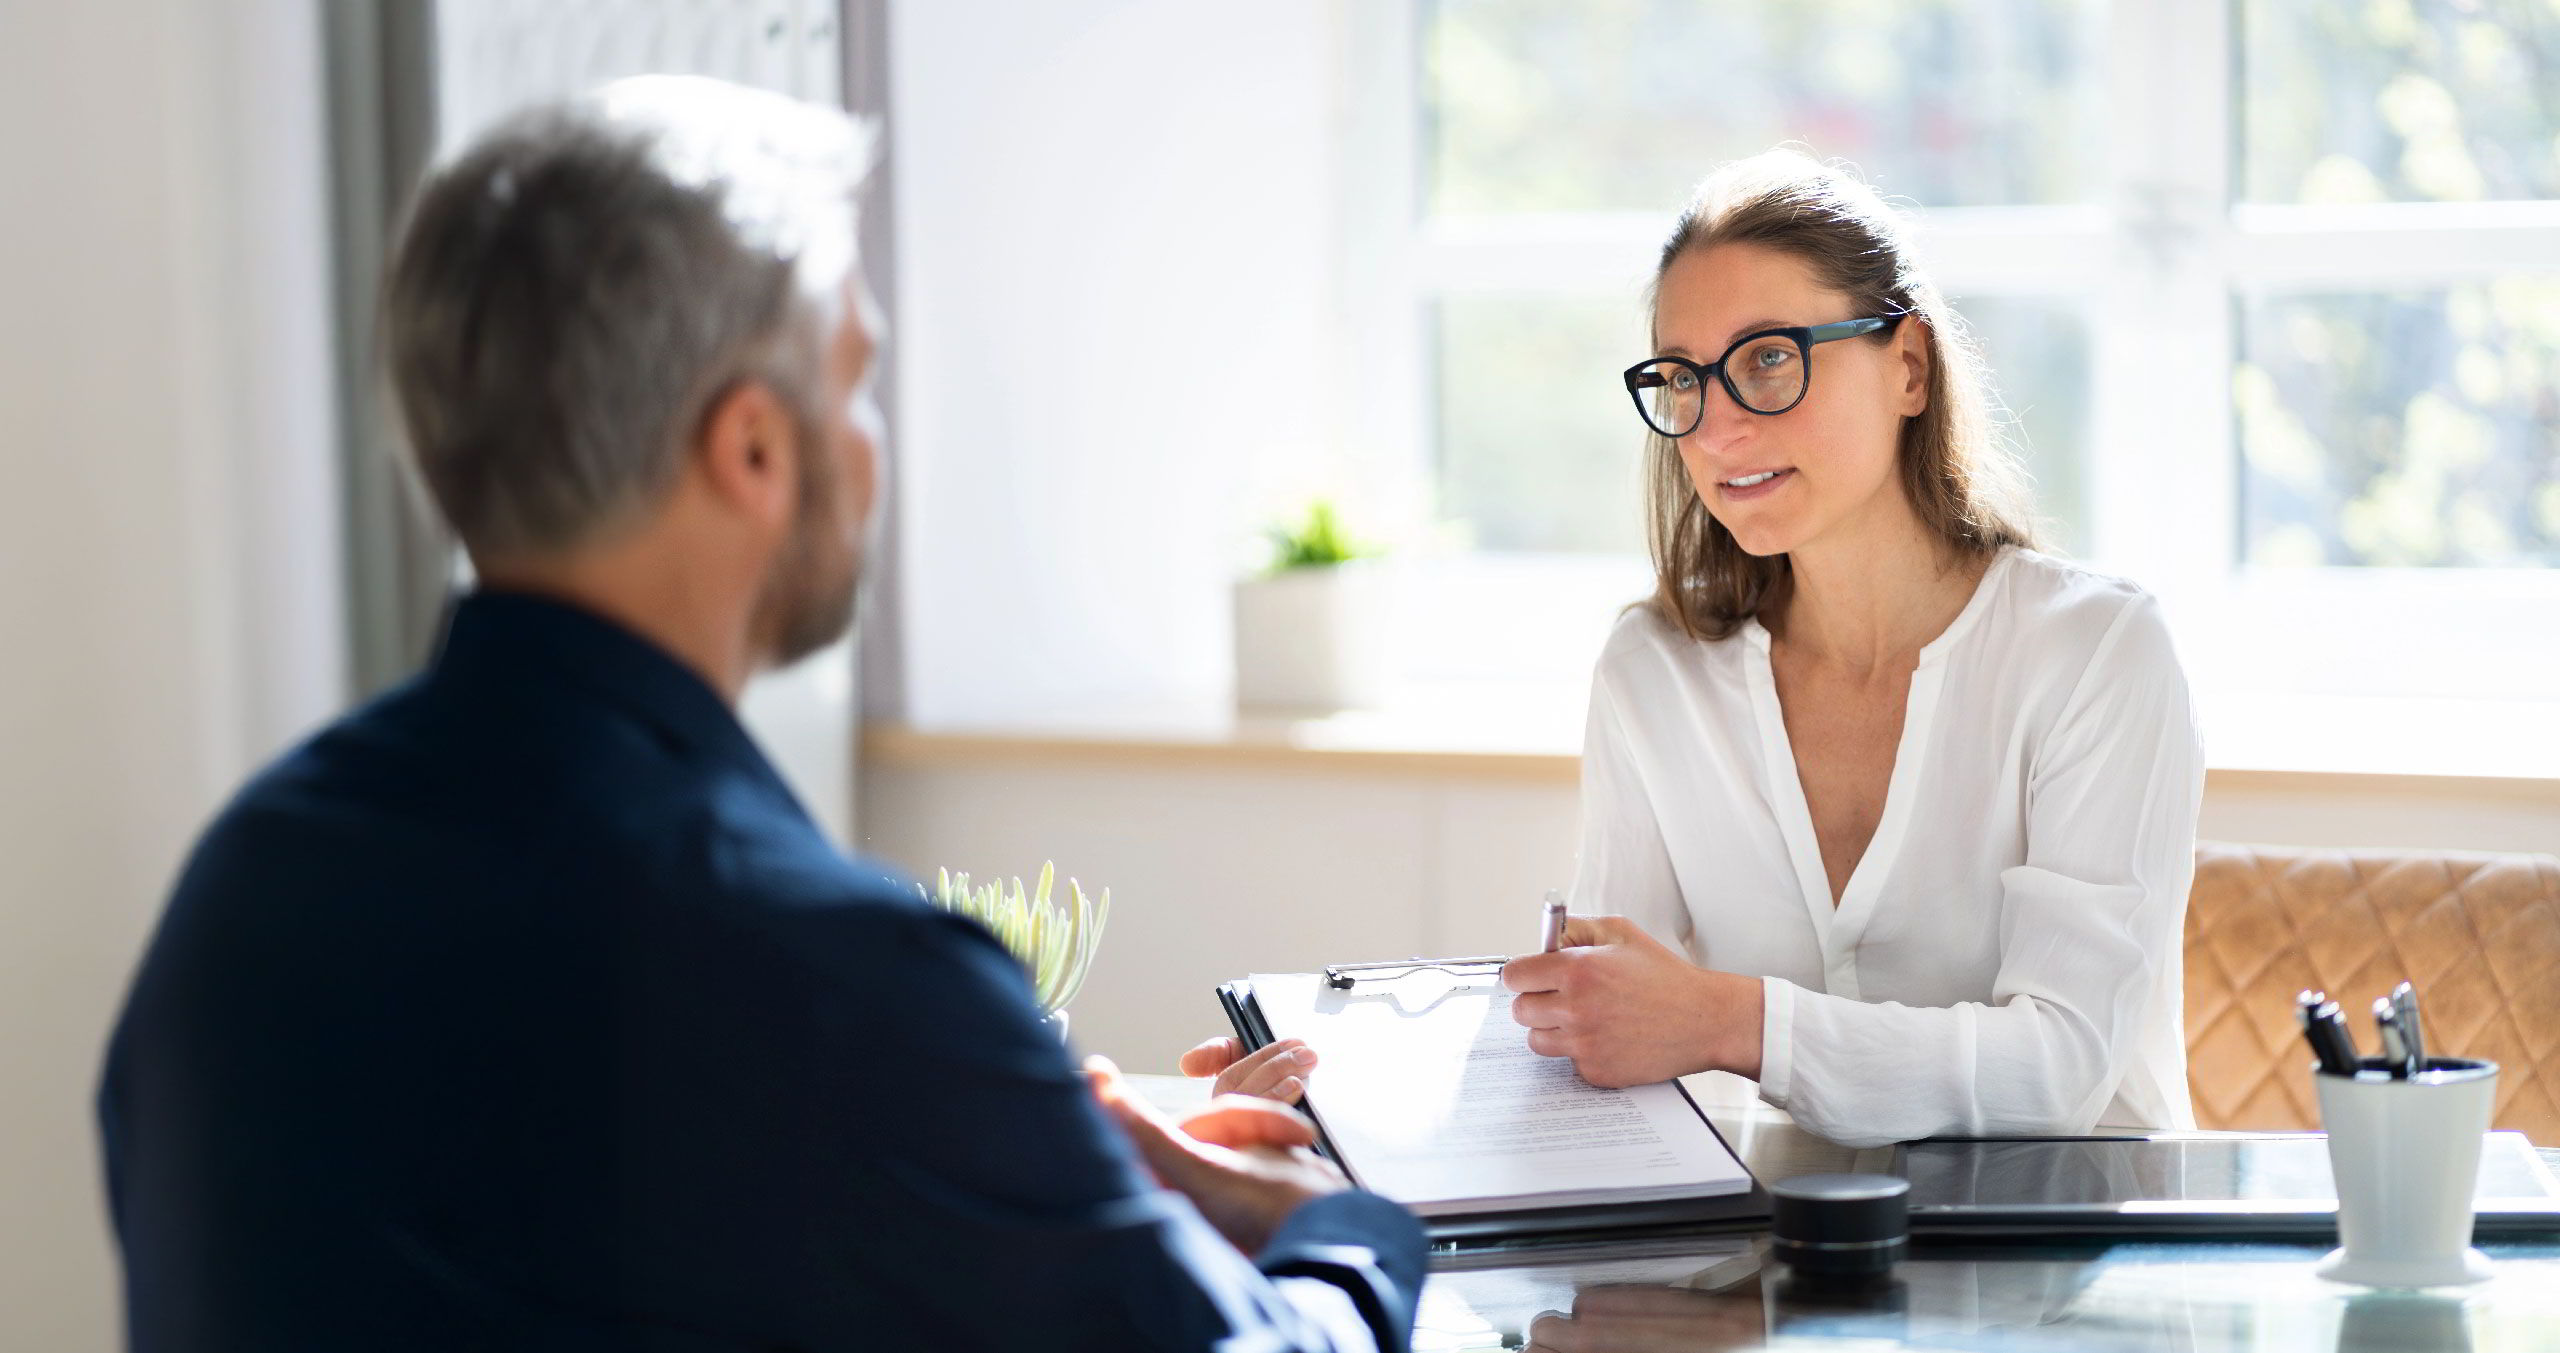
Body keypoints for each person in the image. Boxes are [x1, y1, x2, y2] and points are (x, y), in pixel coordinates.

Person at [96, 76, 1423, 1351]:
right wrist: (1338, 1222)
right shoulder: (836, 983)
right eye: (854, 378)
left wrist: (1043, 1180)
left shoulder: (243, 889)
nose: (871, 440)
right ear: (751, 448)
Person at [1191, 151, 2205, 1151]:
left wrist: (1730, 1020)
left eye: (1768, 357)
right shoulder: (1651, 670)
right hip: (1777, 1271)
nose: (1714, 427)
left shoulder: (2096, 652)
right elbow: (1601, 1029)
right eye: (1682, 378)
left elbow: (2062, 1070)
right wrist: (1344, 1099)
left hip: (2085, 1271)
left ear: (1907, 364)